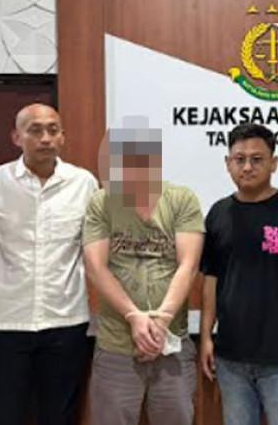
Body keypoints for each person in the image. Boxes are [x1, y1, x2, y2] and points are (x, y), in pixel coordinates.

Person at [0, 103, 98, 425]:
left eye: (52, 130)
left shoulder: (84, 183)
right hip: (4, 324)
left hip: (67, 322)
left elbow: (94, 254)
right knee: (6, 416)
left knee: (61, 417)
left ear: (63, 136)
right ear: (16, 137)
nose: (45, 138)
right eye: (35, 130)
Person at [199, 123, 278, 425]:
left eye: (257, 159)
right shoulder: (218, 213)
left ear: (274, 163)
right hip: (230, 356)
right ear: (228, 163)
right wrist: (206, 337)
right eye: (239, 159)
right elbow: (210, 280)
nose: (247, 167)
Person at [82, 125, 205, 425]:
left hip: (172, 343)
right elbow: (96, 267)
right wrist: (134, 317)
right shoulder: (101, 202)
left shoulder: (181, 199)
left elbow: (188, 265)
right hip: (116, 346)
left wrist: (160, 321)